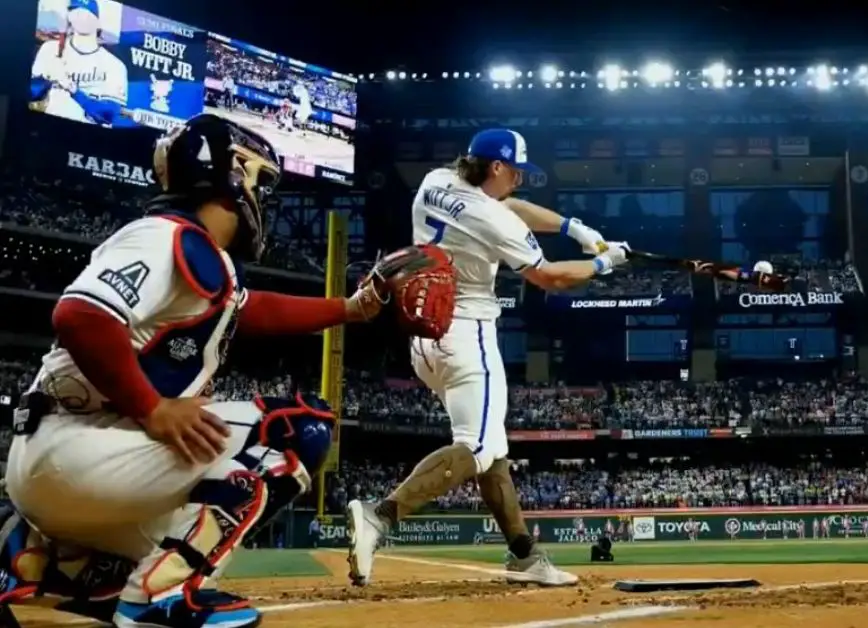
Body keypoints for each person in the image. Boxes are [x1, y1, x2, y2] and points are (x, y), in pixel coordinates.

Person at [0, 114, 406, 628]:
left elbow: (254, 308)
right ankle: (154, 598)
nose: (263, 201)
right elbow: (80, 314)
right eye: (261, 184)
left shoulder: (194, 251)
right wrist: (151, 407)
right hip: (77, 450)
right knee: (293, 429)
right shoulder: (163, 235)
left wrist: (348, 309)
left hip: (69, 461)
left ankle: (52, 556)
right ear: (236, 176)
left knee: (149, 551)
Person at [345, 128, 630, 587]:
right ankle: (381, 515)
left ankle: (524, 556)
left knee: (490, 449)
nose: (519, 180)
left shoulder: (436, 180)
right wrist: (605, 262)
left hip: (424, 339)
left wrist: (574, 229)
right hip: (467, 336)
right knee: (477, 448)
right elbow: (550, 277)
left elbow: (506, 207)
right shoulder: (493, 219)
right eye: (515, 171)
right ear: (496, 167)